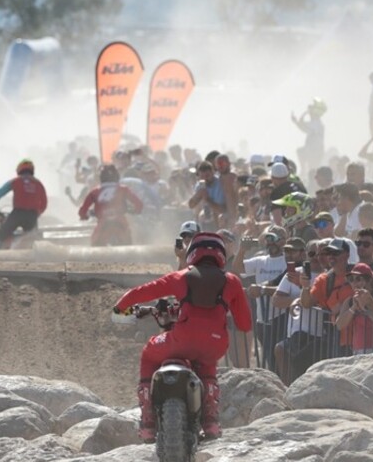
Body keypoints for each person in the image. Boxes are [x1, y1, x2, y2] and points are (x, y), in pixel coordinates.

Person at [113, 233, 252, 441]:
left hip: (182, 339)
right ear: (221, 255)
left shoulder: (181, 277)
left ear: (192, 254)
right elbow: (245, 324)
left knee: (149, 353)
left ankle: (149, 418)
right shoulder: (232, 281)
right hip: (215, 344)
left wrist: (120, 307)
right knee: (207, 368)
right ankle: (211, 421)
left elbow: (143, 291)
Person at [0, 159, 48, 248]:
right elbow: (44, 203)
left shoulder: (15, 181)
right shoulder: (39, 184)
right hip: (32, 216)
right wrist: (37, 213)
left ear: (19, 169)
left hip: (18, 214)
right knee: (33, 238)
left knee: (1, 234)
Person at [80, 164, 144, 246]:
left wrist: (84, 215)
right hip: (120, 219)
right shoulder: (123, 189)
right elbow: (139, 204)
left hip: (103, 221)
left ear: (101, 178)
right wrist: (135, 210)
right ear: (116, 176)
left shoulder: (95, 191)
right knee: (129, 238)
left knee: (94, 242)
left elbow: (83, 209)